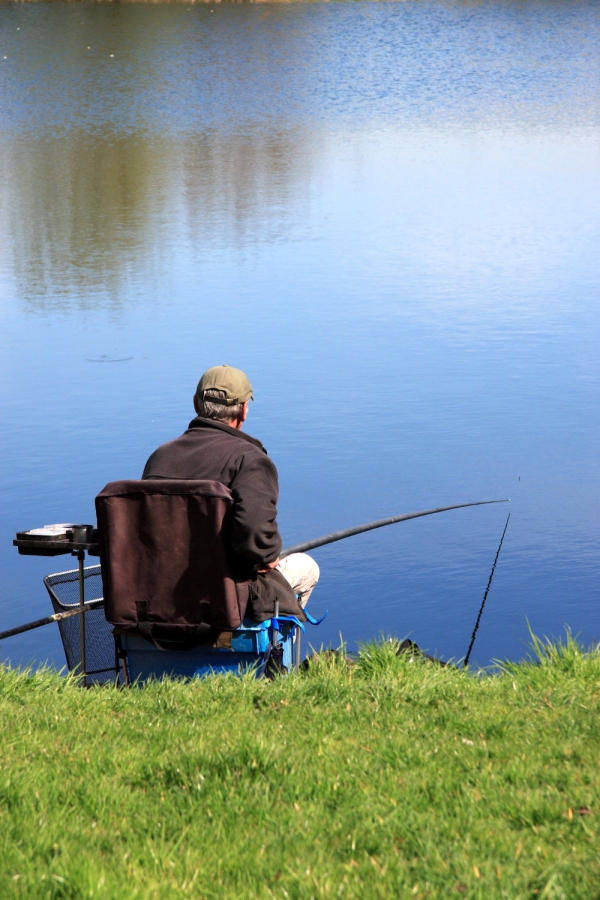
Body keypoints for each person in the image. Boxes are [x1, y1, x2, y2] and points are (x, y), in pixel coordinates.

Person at [142, 364, 319, 620]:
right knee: (306, 567)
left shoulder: (160, 457)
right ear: (244, 410)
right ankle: (273, 653)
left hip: (162, 591)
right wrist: (268, 555)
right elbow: (255, 535)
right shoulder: (249, 460)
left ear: (196, 404)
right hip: (227, 595)